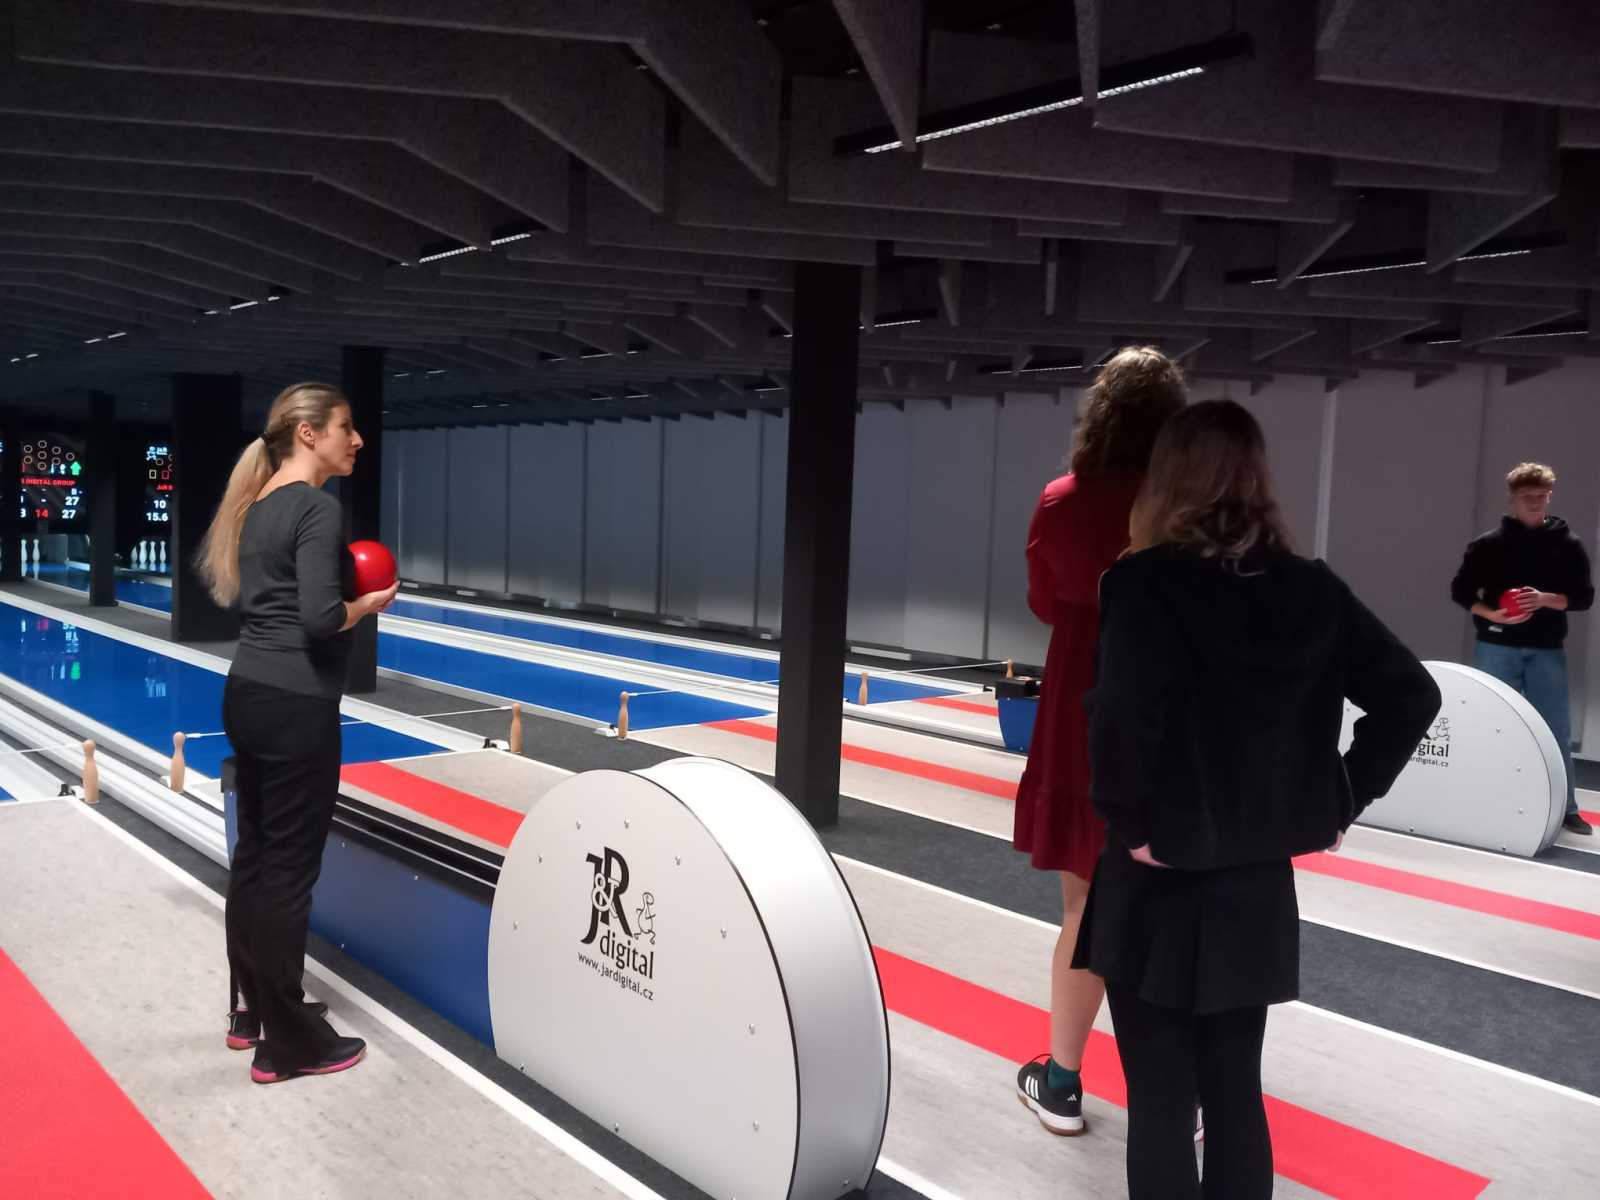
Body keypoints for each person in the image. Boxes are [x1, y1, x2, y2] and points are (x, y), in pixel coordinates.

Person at [1074, 401, 1440, 1199]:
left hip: (1158, 872)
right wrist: (1341, 797)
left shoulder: (1144, 581)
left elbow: (1123, 716)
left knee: (1161, 1102)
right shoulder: (1312, 590)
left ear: (1167, 479)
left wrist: (1129, 820)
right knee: (1235, 1093)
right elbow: (1413, 694)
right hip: (1255, 878)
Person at [196, 382, 399, 1084]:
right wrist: (365, 604)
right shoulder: (315, 507)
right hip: (295, 703)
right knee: (287, 871)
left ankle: (251, 1012)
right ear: (309, 433)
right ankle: (288, 1045)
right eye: (347, 427)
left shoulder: (257, 505)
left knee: (254, 858)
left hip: (248, 692)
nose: (357, 440)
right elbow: (319, 619)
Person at [1013, 346, 1187, 1135]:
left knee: (1085, 900)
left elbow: (1046, 602)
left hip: (1082, 702)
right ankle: (1182, 1098)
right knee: (1173, 905)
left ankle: (1062, 1084)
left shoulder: (1062, 501)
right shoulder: (1190, 504)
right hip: (1173, 709)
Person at [1450, 462, 1593, 835]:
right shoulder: (1488, 545)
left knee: (1555, 729)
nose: (1534, 502)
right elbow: (1461, 591)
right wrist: (1491, 613)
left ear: (1550, 496)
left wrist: (1545, 599)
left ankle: (1566, 808)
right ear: (1512, 498)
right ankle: (1481, 799)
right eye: (1527, 496)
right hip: (1496, 646)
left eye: (1541, 496)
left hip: (1546, 649)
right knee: (1489, 724)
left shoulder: (1569, 545)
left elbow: (1583, 598)